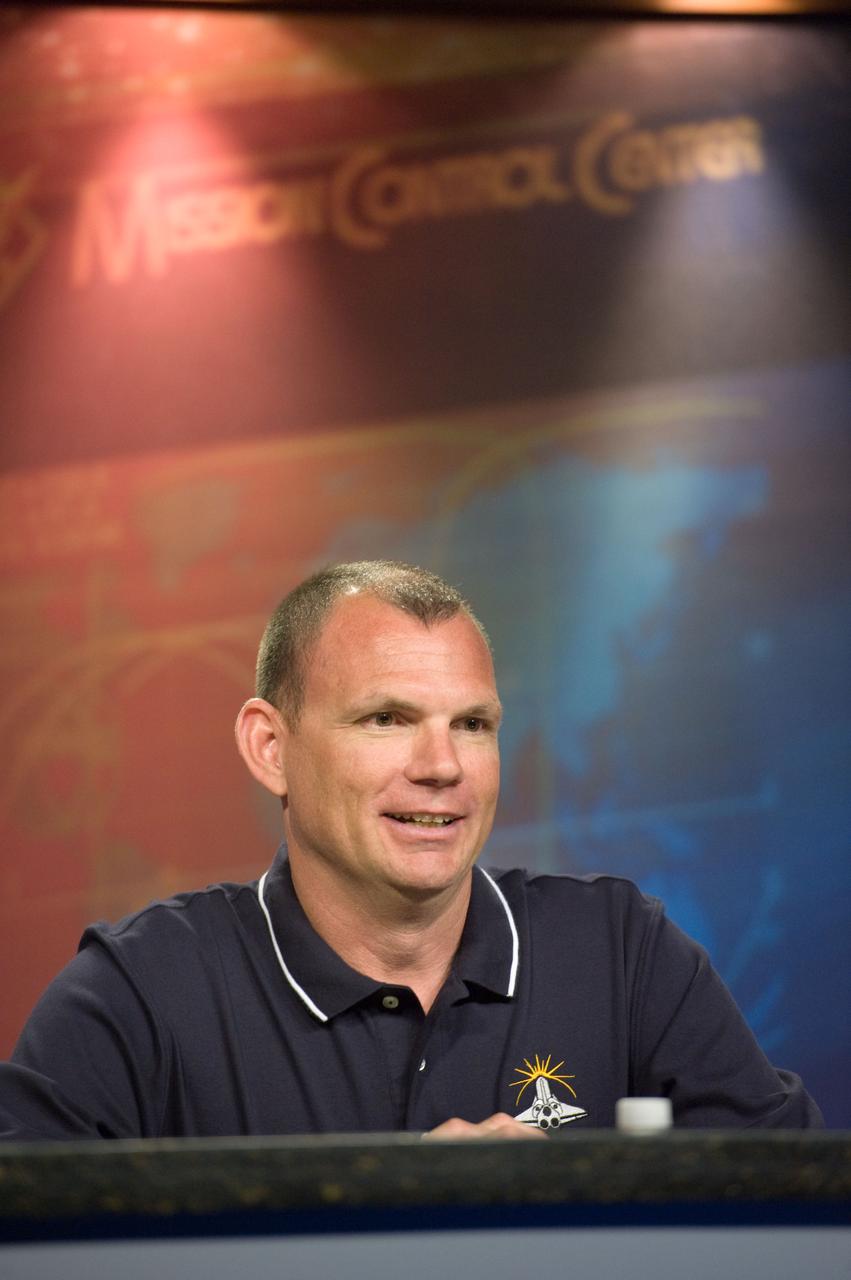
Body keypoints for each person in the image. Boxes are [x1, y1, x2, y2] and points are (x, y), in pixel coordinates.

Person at [0, 561, 822, 1140]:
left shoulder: (620, 952)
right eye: (385, 719)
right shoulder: (140, 995)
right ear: (270, 748)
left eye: (472, 725)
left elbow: (796, 1222)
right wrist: (393, 1225)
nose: (441, 767)